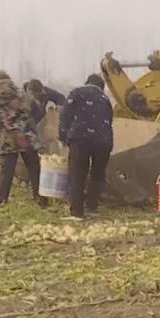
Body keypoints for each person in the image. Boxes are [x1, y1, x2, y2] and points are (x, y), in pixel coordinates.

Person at [0, 74, 47, 208]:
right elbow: (36, 106)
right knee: (34, 168)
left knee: (7, 170)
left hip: (9, 139)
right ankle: (40, 197)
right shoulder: (24, 95)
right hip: (28, 137)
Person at [58, 74, 114, 221]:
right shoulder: (105, 99)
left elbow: (65, 115)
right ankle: (92, 208)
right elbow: (109, 120)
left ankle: (77, 212)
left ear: (87, 82)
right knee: (97, 175)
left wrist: (62, 137)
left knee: (77, 174)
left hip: (81, 139)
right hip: (104, 142)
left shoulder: (76, 93)